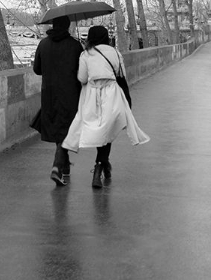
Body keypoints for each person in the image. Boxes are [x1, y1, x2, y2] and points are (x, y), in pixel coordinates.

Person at [62, 25, 150, 188]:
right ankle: (101, 165)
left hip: (92, 96)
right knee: (107, 129)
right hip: (112, 94)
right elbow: (121, 75)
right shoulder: (115, 53)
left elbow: (81, 78)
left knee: (98, 128)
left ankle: (100, 166)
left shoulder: (85, 54)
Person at [33, 15, 83, 186]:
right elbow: (81, 72)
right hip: (70, 94)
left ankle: (65, 167)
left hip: (49, 93)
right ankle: (56, 167)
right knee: (66, 130)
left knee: (58, 128)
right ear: (68, 26)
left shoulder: (43, 44)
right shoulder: (75, 45)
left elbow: (37, 69)